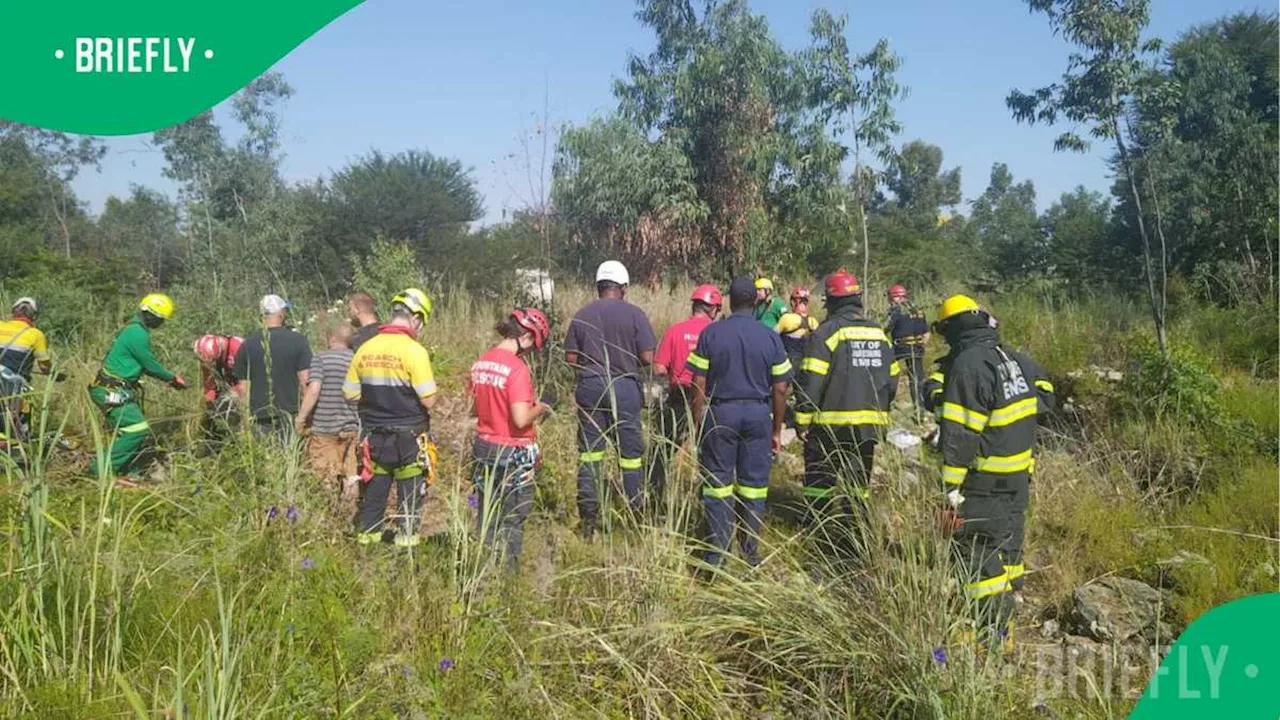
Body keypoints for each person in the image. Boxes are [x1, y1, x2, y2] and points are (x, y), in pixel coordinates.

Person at [929, 294, 1054, 643]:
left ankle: (993, 634)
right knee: (1007, 548)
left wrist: (949, 496)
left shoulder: (969, 365)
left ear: (952, 329)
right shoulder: (1013, 359)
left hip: (985, 483)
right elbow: (1046, 393)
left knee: (975, 553)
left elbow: (959, 439)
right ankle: (1008, 613)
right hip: (1017, 478)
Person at [686, 277, 791, 567]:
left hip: (721, 413)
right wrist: (776, 429)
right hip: (758, 415)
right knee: (754, 486)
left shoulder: (712, 334)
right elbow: (781, 387)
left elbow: (698, 383)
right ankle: (750, 553)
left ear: (729, 302)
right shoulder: (770, 336)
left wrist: (697, 422)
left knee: (717, 484)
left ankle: (716, 555)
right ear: (755, 300)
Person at [794, 270, 898, 532]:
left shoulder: (826, 333)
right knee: (857, 486)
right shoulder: (879, 335)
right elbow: (893, 380)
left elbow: (811, 383)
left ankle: (819, 534)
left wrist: (803, 421)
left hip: (829, 427)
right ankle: (855, 536)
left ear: (832, 302)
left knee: (819, 483)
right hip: (868, 428)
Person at [564, 260, 656, 539]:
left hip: (590, 387)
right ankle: (634, 518)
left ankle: (588, 522)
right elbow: (648, 357)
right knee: (630, 456)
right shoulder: (635, 314)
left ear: (598, 286)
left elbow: (570, 358)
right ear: (623, 287)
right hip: (625, 387)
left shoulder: (582, 314)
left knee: (590, 453)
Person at [344, 288, 438, 547]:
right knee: (409, 502)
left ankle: (367, 551)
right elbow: (429, 399)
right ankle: (405, 559)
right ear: (416, 318)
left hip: (375, 439)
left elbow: (350, 394)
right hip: (409, 439)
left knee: (374, 498)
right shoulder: (414, 351)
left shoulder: (365, 348)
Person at [467, 307, 553, 569]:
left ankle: (483, 570)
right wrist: (544, 405)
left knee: (486, 516)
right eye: (532, 346)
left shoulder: (481, 363)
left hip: (484, 447)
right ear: (526, 336)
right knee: (512, 519)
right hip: (512, 454)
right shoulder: (517, 369)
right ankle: (507, 579)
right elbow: (520, 418)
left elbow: (474, 410)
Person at [88, 294, 188, 484]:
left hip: (114, 388)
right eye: (161, 319)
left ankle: (126, 471)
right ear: (152, 315)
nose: (161, 323)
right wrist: (173, 379)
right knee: (138, 430)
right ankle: (99, 470)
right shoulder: (137, 334)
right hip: (111, 390)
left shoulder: (133, 330)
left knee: (129, 431)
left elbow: (140, 365)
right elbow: (150, 364)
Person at [650, 284, 721, 509]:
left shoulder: (675, 330)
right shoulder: (718, 333)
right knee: (711, 457)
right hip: (709, 399)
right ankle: (706, 505)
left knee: (661, 454)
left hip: (678, 398)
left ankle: (654, 501)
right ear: (714, 309)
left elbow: (659, 369)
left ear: (694, 305)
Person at [296, 324, 361, 513]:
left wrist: (301, 418)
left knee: (325, 475)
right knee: (351, 474)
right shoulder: (357, 359)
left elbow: (314, 389)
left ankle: (329, 516)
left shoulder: (321, 359)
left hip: (324, 428)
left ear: (332, 338)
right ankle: (350, 515)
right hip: (351, 428)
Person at [234, 294, 312, 438]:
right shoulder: (298, 341)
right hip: (290, 414)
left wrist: (244, 421)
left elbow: (243, 389)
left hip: (259, 416)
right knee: (289, 456)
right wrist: (305, 416)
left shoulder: (247, 345)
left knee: (265, 457)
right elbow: (304, 381)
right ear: (281, 314)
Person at [0, 297, 55, 446]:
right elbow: (44, 366)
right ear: (34, 316)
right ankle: (17, 449)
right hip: (13, 387)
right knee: (17, 418)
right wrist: (51, 372)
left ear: (13, 312)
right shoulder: (36, 334)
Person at [884, 284, 930, 412]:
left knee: (883, 370)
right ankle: (919, 407)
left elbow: (885, 328)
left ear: (894, 297)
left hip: (900, 348)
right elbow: (926, 333)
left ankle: (884, 402)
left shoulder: (896, 310)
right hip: (917, 348)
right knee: (917, 379)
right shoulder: (918, 310)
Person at [193, 334, 243, 449]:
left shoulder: (239, 348)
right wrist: (209, 408)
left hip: (249, 383)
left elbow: (248, 381)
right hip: (232, 384)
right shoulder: (207, 356)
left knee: (229, 403)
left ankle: (241, 435)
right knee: (217, 409)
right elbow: (209, 384)